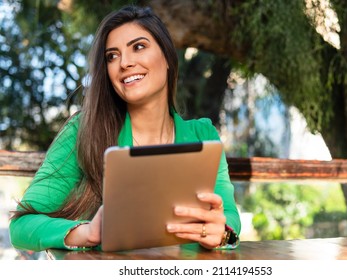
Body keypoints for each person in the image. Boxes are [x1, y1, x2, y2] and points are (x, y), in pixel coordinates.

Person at [9, 4, 241, 252]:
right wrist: (88, 233)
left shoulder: (203, 135)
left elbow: (228, 215)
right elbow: (21, 226)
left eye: (138, 47)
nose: (125, 63)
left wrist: (221, 232)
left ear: (168, 58)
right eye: (112, 56)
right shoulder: (83, 131)